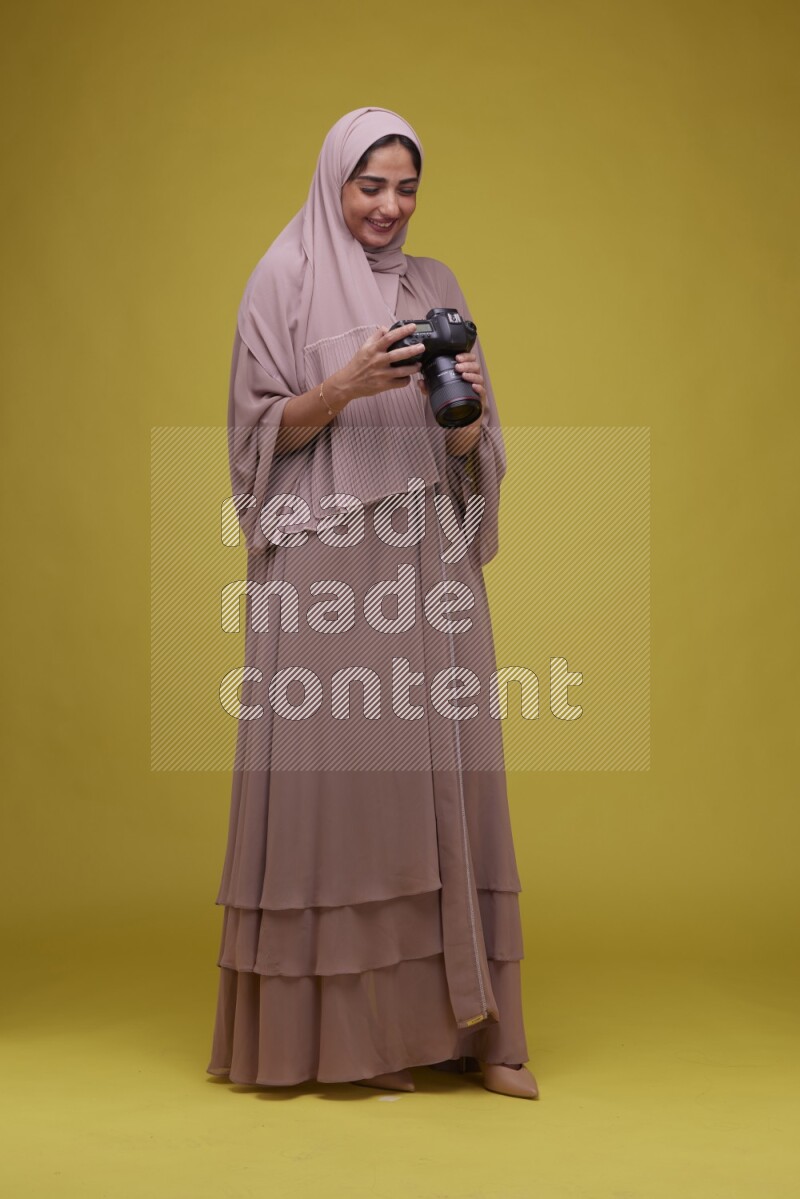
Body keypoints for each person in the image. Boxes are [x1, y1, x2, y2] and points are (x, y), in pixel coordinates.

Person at [205, 107, 538, 1100]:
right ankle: (340, 1041)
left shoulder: (434, 285)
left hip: (426, 561)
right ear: (333, 184)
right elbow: (254, 434)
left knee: (445, 779)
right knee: (343, 799)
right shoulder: (283, 278)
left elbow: (472, 453)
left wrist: (471, 413)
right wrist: (344, 383)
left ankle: (470, 1031)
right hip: (324, 564)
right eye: (369, 186)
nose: (387, 207)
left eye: (403, 188)